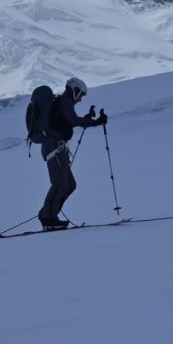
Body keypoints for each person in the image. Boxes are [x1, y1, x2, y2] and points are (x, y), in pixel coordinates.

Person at [36, 77, 107, 230]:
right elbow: (73, 121)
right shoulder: (65, 102)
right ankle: (48, 218)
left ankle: (49, 214)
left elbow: (67, 122)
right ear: (74, 91)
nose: (81, 99)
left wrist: (87, 119)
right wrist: (95, 122)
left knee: (70, 185)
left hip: (55, 147)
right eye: (81, 94)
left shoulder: (62, 102)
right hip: (54, 148)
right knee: (60, 184)